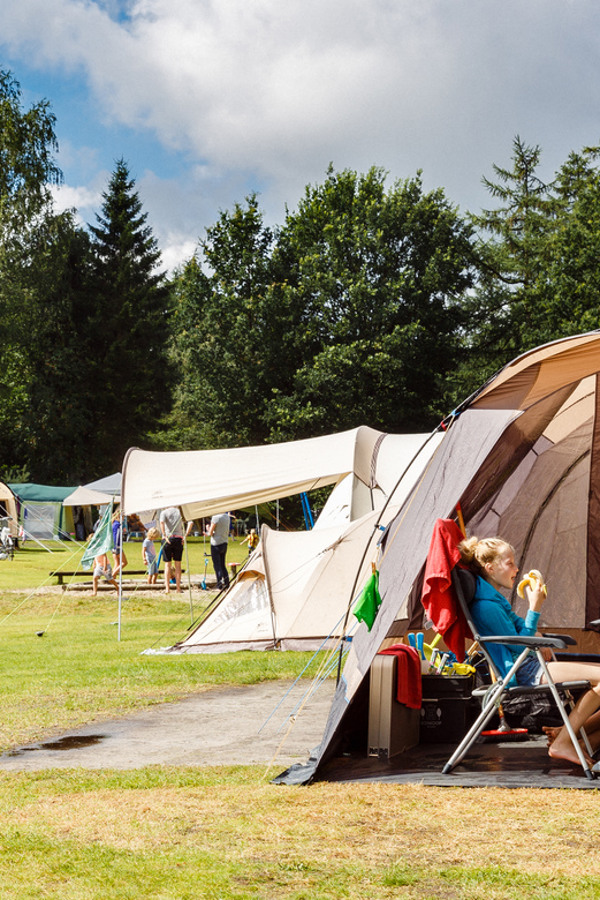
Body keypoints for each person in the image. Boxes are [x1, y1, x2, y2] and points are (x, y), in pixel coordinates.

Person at [459, 535, 600, 770]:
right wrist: (534, 607)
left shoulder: (496, 601)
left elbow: (520, 628)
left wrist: (538, 637)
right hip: (524, 669)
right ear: (490, 568)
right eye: (510, 563)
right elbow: (517, 646)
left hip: (530, 663)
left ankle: (574, 737)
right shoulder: (486, 607)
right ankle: (564, 740)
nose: (516, 569)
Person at [159, 506, 193, 593]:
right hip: (179, 538)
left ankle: (167, 589)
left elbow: (161, 523)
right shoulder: (181, 512)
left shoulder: (164, 512)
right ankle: (178, 588)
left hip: (168, 538)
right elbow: (191, 522)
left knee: (167, 565)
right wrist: (185, 536)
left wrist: (164, 534)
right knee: (178, 565)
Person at [206, 512, 231, 590]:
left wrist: (207, 528)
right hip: (224, 542)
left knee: (217, 565)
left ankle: (219, 584)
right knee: (222, 564)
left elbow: (211, 532)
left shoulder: (216, 517)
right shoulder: (227, 517)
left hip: (216, 544)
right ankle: (227, 583)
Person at [111, 510, 128, 580]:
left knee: (117, 563)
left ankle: (113, 580)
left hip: (113, 547)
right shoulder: (118, 525)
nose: (124, 519)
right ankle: (112, 575)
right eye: (123, 517)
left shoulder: (113, 524)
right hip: (117, 546)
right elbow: (116, 536)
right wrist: (117, 546)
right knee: (124, 562)